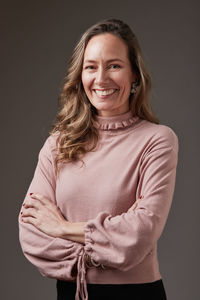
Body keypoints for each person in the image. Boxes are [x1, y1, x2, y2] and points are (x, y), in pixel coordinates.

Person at [18, 18, 179, 300]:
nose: (101, 78)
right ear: (80, 76)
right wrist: (110, 243)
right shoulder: (59, 142)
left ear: (135, 76)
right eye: (91, 67)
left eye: (114, 66)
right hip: (70, 294)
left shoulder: (157, 140)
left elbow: (140, 235)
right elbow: (31, 233)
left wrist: (62, 228)